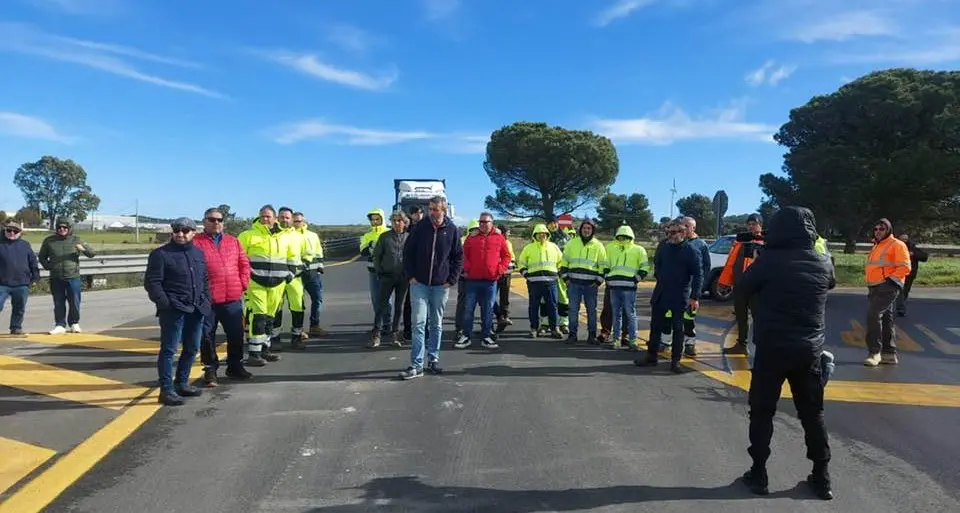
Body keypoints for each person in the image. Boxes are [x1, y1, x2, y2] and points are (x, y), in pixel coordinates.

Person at [732, 206, 835, 500]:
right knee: (813, 414)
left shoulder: (769, 261)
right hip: (809, 350)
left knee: (762, 412)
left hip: (772, 348)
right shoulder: (823, 261)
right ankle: (822, 476)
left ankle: (759, 473)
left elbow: (741, 288)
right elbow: (830, 282)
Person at [144, 217, 212, 406]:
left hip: (196, 308)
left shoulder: (198, 254)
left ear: (193, 233)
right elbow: (152, 282)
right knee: (169, 350)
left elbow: (204, 280)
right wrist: (165, 303)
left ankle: (182, 383)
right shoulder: (161, 254)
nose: (180, 234)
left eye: (185, 231)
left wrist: (206, 301)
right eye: (176, 230)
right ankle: (166, 390)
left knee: (191, 348)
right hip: (173, 310)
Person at [400, 196, 462, 380]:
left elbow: (458, 257)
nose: (432, 213)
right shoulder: (420, 228)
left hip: (440, 286)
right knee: (418, 323)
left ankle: (433, 359)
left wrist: (451, 279)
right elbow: (408, 252)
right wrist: (410, 275)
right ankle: (416, 365)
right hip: (419, 284)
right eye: (430, 209)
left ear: (444, 210)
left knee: (436, 324)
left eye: (436, 209)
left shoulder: (452, 230)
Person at [193, 207, 252, 386]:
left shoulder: (233, 241)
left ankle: (235, 365)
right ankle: (210, 370)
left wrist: (242, 283)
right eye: (211, 219)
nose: (216, 223)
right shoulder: (196, 242)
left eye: (219, 220)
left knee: (236, 334)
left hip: (232, 297)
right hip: (208, 299)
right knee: (206, 336)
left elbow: (244, 263)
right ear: (204, 222)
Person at [636, 219, 702, 373]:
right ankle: (651, 356)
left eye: (673, 232)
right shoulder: (663, 246)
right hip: (661, 292)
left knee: (678, 328)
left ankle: (675, 361)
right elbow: (657, 264)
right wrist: (660, 276)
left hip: (680, 294)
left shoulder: (691, 251)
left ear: (683, 233)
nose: (669, 235)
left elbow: (698, 275)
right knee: (655, 325)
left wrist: (695, 296)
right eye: (668, 232)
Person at [238, 205, 295, 366]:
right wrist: (246, 277)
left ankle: (265, 349)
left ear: (275, 218)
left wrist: (288, 275)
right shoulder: (248, 235)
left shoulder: (285, 237)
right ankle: (254, 353)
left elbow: (292, 258)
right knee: (259, 315)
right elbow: (240, 258)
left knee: (270, 317)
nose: (265, 219)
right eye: (262, 216)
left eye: (268, 217)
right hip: (256, 282)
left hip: (277, 283)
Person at [456, 211, 511, 350]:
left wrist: (499, 269)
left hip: (490, 282)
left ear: (492, 223)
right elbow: (464, 254)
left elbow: (506, 256)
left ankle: (486, 336)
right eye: (480, 222)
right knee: (468, 310)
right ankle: (466, 336)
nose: (482, 224)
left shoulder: (499, 238)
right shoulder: (472, 237)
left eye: (485, 222)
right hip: (472, 281)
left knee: (487, 310)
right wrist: (468, 268)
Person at [863, 218, 911, 367]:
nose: (878, 232)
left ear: (888, 230)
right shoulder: (877, 245)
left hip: (887, 287)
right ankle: (889, 354)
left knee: (873, 315)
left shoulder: (897, 245)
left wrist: (889, 282)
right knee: (886, 319)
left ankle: (874, 352)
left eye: (881, 229)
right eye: (876, 229)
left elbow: (905, 267)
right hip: (875, 287)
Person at [37, 220, 96, 334]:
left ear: (69, 228)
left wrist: (82, 249)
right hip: (56, 276)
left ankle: (74, 323)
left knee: (74, 301)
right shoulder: (49, 241)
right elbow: (42, 257)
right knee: (58, 302)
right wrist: (48, 266)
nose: (62, 229)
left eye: (65, 227)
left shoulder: (76, 239)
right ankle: (60, 325)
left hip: (73, 276)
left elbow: (92, 254)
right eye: (59, 227)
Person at [718, 213, 764, 355]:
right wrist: (726, 282)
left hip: (756, 288)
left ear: (760, 225)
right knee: (740, 317)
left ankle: (762, 349)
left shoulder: (765, 242)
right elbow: (732, 263)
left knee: (759, 319)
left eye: (754, 224)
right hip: (740, 286)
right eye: (749, 224)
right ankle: (741, 345)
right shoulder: (740, 242)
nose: (751, 226)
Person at [559, 219, 606, 344]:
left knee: (591, 311)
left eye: (589, 228)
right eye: (584, 228)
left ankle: (592, 336)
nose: (586, 230)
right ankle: (572, 335)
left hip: (591, 286)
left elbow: (603, 266)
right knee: (573, 310)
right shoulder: (572, 244)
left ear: (592, 230)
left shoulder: (598, 246)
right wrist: (566, 279)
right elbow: (564, 263)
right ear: (581, 229)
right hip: (573, 284)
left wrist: (598, 282)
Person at [602, 225, 649, 349]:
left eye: (625, 236)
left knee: (630, 314)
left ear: (630, 236)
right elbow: (605, 264)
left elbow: (644, 267)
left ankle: (633, 340)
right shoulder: (611, 248)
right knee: (617, 314)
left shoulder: (639, 250)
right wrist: (607, 277)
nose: (623, 238)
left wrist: (636, 279)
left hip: (628, 287)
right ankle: (616, 340)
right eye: (620, 236)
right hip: (614, 287)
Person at [517, 224, 564, 339]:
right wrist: (526, 274)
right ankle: (534, 328)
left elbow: (561, 262)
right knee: (533, 306)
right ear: (535, 235)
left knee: (552, 306)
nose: (541, 235)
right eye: (539, 233)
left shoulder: (554, 247)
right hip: (534, 283)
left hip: (551, 282)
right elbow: (521, 263)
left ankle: (555, 328)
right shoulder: (528, 248)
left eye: (544, 233)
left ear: (547, 234)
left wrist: (559, 273)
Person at [370, 210, 409, 348]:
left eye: (399, 220)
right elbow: (377, 256)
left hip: (403, 278)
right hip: (387, 276)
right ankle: (376, 335)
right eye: (394, 221)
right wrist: (380, 271)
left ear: (405, 223)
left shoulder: (409, 238)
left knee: (399, 307)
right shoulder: (384, 237)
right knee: (381, 306)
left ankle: (394, 335)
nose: (396, 223)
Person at [271, 207, 307, 351]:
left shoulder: (299, 236)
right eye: (282, 217)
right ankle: (275, 338)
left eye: (287, 217)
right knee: (276, 308)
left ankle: (296, 337)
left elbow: (306, 255)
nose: (284, 220)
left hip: (295, 278)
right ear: (277, 218)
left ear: (292, 219)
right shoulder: (272, 234)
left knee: (298, 306)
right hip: (277, 279)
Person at [0, 222, 39, 335]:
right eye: (9, 230)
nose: (12, 233)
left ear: (20, 233)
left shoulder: (25, 245)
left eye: (15, 231)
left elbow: (32, 261)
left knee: (19, 307)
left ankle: (16, 327)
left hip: (21, 283)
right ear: (5, 231)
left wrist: (35, 277)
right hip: (2, 283)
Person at [294, 212, 328, 336]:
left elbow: (319, 251)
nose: (298, 223)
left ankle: (315, 326)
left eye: (300, 221)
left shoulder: (312, 235)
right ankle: (299, 329)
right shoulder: (290, 236)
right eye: (295, 221)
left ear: (304, 221)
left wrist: (320, 265)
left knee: (318, 299)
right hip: (298, 274)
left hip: (313, 273)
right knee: (298, 303)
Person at [680, 216, 711, 357]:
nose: (684, 228)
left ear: (693, 228)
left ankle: (690, 344)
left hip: (692, 288)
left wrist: (698, 291)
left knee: (689, 318)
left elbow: (705, 268)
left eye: (687, 226)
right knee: (669, 316)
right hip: (678, 287)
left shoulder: (701, 245)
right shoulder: (678, 242)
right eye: (682, 225)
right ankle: (666, 341)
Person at [360, 207, 390, 335]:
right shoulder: (367, 236)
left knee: (386, 298)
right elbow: (363, 251)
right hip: (373, 270)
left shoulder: (389, 233)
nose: (375, 222)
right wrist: (371, 245)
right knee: (375, 298)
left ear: (382, 219)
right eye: (373, 220)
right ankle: (378, 324)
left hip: (388, 271)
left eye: (377, 219)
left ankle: (387, 324)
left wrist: (375, 247)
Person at [895, 233, 927, 317]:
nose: (904, 241)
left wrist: (913, 254)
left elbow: (924, 257)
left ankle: (900, 306)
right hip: (898, 273)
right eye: (902, 240)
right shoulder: (895, 247)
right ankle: (900, 308)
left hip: (910, 273)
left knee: (905, 291)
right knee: (900, 290)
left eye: (905, 239)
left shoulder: (912, 248)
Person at [493, 225, 515, 332]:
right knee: (491, 298)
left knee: (505, 298)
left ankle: (504, 318)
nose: (509, 234)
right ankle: (499, 315)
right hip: (496, 275)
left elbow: (512, 257)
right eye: (508, 232)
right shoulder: (496, 241)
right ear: (502, 232)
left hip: (506, 275)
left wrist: (513, 265)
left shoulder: (509, 243)